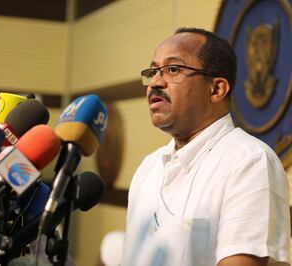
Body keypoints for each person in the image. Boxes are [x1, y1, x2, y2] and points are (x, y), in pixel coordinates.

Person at [122, 27, 290, 266]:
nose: (155, 83)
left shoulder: (250, 163)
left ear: (216, 89)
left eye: (173, 69)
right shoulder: (148, 167)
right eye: (153, 71)